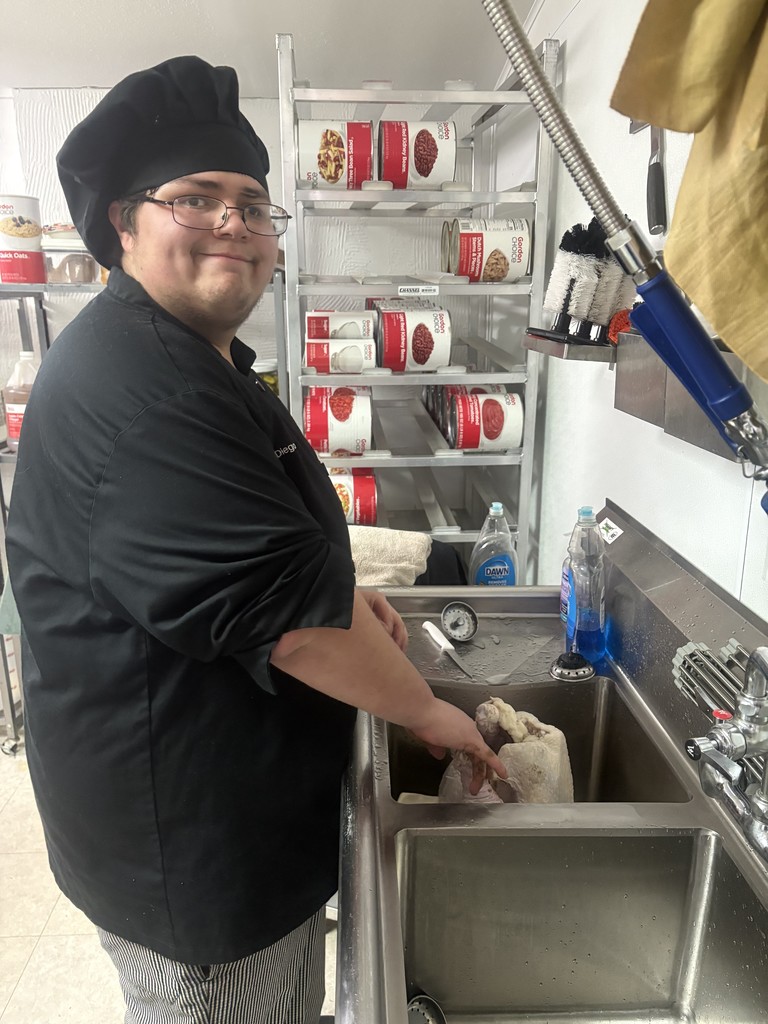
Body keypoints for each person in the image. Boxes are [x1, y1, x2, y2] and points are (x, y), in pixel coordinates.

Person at [5, 56, 505, 1024]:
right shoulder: (143, 397)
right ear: (124, 221)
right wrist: (432, 714)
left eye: (251, 203)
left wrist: (338, 589)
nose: (234, 223)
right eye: (196, 199)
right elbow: (296, 632)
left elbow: (248, 560)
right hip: (197, 865)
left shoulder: (190, 354)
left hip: (230, 818)